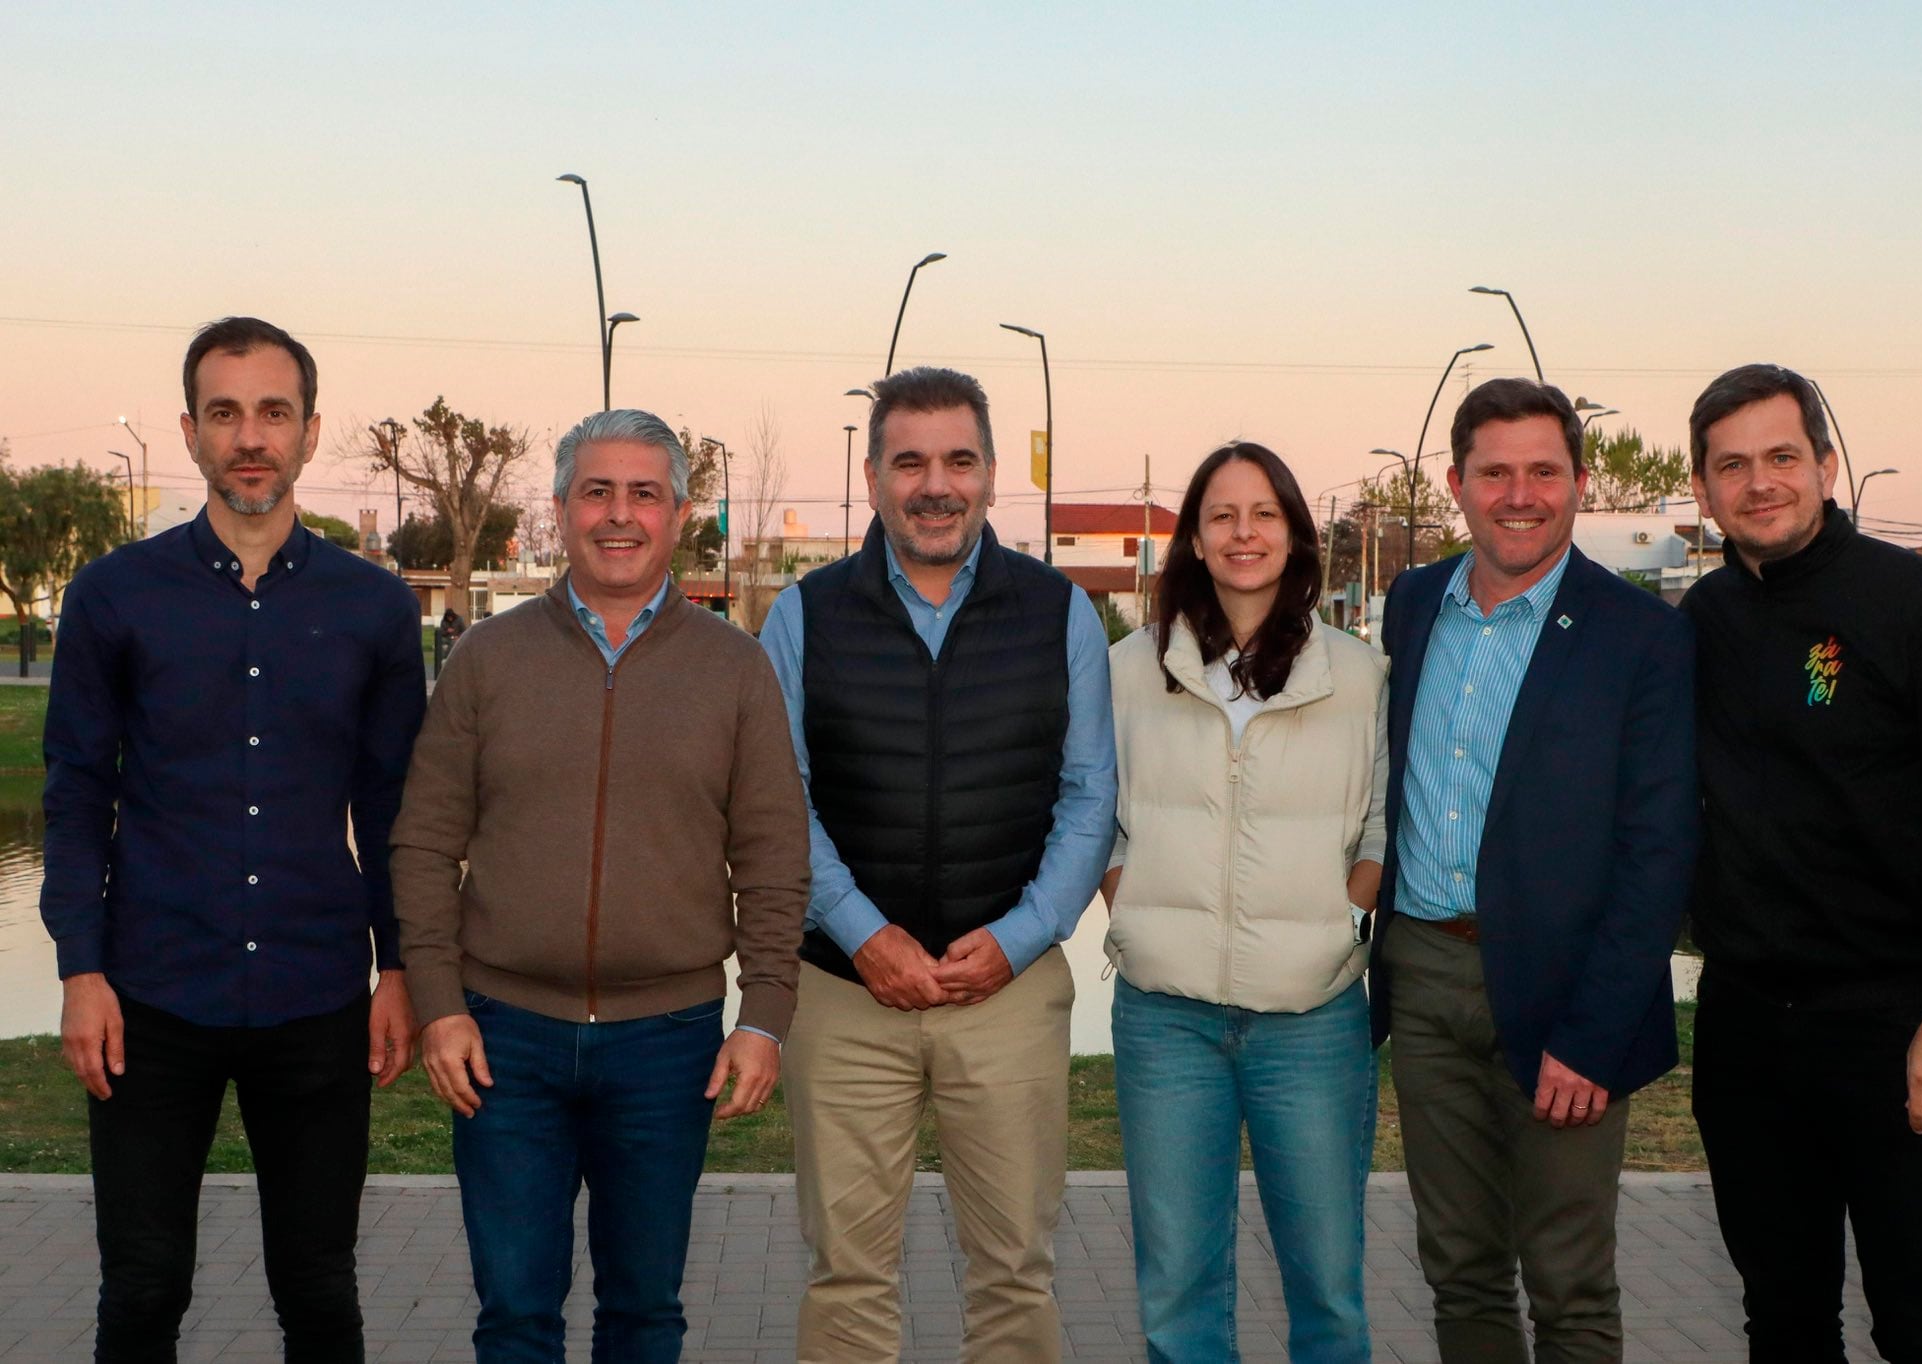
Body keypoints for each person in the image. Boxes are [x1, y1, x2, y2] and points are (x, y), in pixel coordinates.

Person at [41, 316, 425, 1360]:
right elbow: (76, 791)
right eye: (224, 413)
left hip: (316, 993)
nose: (249, 436)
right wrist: (81, 966)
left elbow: (395, 808)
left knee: (319, 1287)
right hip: (149, 992)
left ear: (308, 432)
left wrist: (401, 970)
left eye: (272, 412)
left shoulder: (376, 609)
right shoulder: (116, 595)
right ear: (189, 431)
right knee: (143, 1286)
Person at [391, 408, 809, 1362]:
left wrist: (765, 1014)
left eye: (644, 494)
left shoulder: (736, 671)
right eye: (597, 491)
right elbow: (422, 844)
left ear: (680, 515)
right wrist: (438, 1003)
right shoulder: (486, 659)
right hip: (504, 1039)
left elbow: (776, 858)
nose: (619, 515)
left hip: (665, 1048)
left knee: (644, 1316)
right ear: (559, 509)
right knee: (516, 1317)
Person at [1682, 363, 1922, 1363]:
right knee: (1780, 1318)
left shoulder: (1921, 609)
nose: (1759, 482)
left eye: (1780, 456)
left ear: (1825, 464)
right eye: (1731, 465)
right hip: (1747, 1031)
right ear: (1701, 488)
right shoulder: (1700, 624)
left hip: (1898, 1026)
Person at [759, 365, 1116, 1363]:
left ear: (992, 473)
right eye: (907, 460)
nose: (933, 484)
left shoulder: (1059, 611)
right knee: (846, 1275)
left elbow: (1090, 794)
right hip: (842, 993)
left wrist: (1016, 939)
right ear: (871, 475)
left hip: (1004, 994)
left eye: (957, 459)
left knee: (1012, 1270)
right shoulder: (804, 613)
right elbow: (778, 799)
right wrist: (862, 932)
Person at [1369, 377, 1697, 1363]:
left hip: (1568, 996)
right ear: (1455, 484)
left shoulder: (1639, 636)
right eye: (1495, 472)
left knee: (1567, 1282)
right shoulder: (1412, 601)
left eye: (1542, 471)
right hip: (1425, 979)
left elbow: (1657, 849)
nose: (1520, 494)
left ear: (1579, 481)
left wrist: (1594, 1036)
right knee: (1458, 1268)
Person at [1102, 440, 1388, 1361]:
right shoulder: (1128, 671)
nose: (1243, 532)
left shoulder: (1357, 675)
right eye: (1222, 514)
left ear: (1297, 535)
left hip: (1311, 1018)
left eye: (1264, 513)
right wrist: (1135, 911)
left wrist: (1342, 923)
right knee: (1178, 1296)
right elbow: (1098, 820)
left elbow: (1381, 828)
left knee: (1328, 1291)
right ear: (1192, 536)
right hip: (1166, 1019)